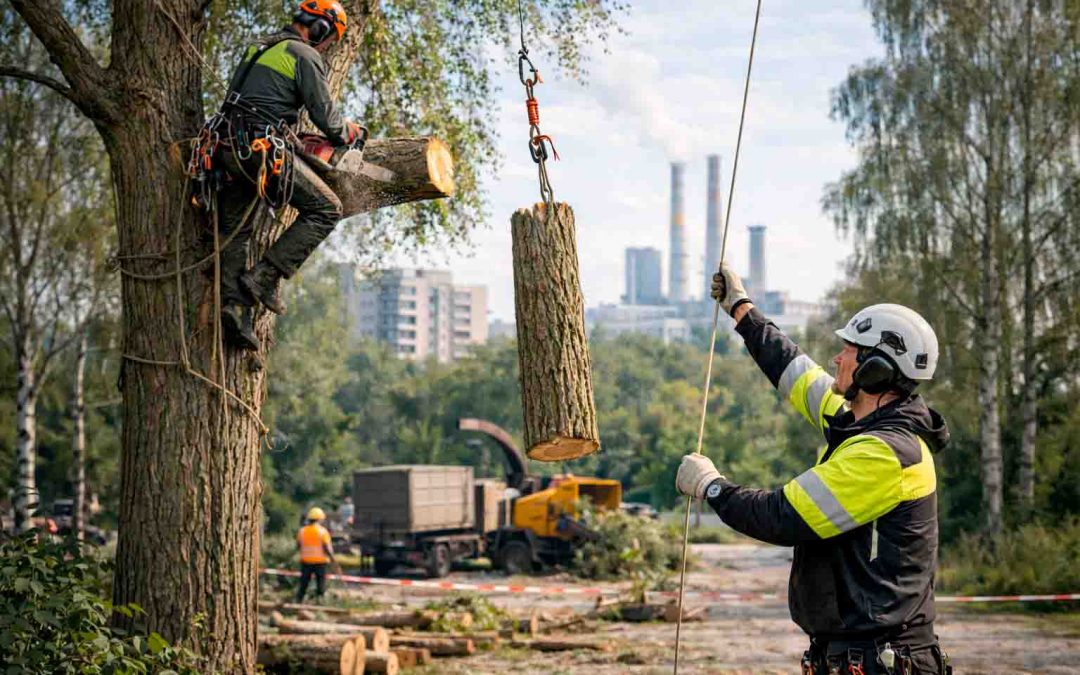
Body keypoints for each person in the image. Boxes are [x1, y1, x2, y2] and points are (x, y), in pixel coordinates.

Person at [676, 263, 952, 675]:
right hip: (857, 655)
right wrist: (741, 309)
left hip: (882, 659)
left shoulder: (884, 454)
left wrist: (712, 487)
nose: (837, 357)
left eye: (849, 351)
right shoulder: (858, 421)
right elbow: (794, 371)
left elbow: (785, 516)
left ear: (875, 370)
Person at [214, 0, 365, 350]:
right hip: (259, 150)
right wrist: (351, 132)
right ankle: (265, 277)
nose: (325, 47)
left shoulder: (258, 46)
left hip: (226, 149)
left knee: (235, 230)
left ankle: (233, 311)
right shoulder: (304, 55)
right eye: (328, 40)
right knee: (327, 209)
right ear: (322, 28)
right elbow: (328, 122)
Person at [296, 506, 336, 602]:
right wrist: (332, 558)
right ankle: (320, 601)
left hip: (305, 561)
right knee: (320, 583)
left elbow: (298, 546)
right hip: (320, 562)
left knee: (304, 583)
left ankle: (299, 600)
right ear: (320, 519)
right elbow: (327, 547)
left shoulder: (302, 531)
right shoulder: (322, 531)